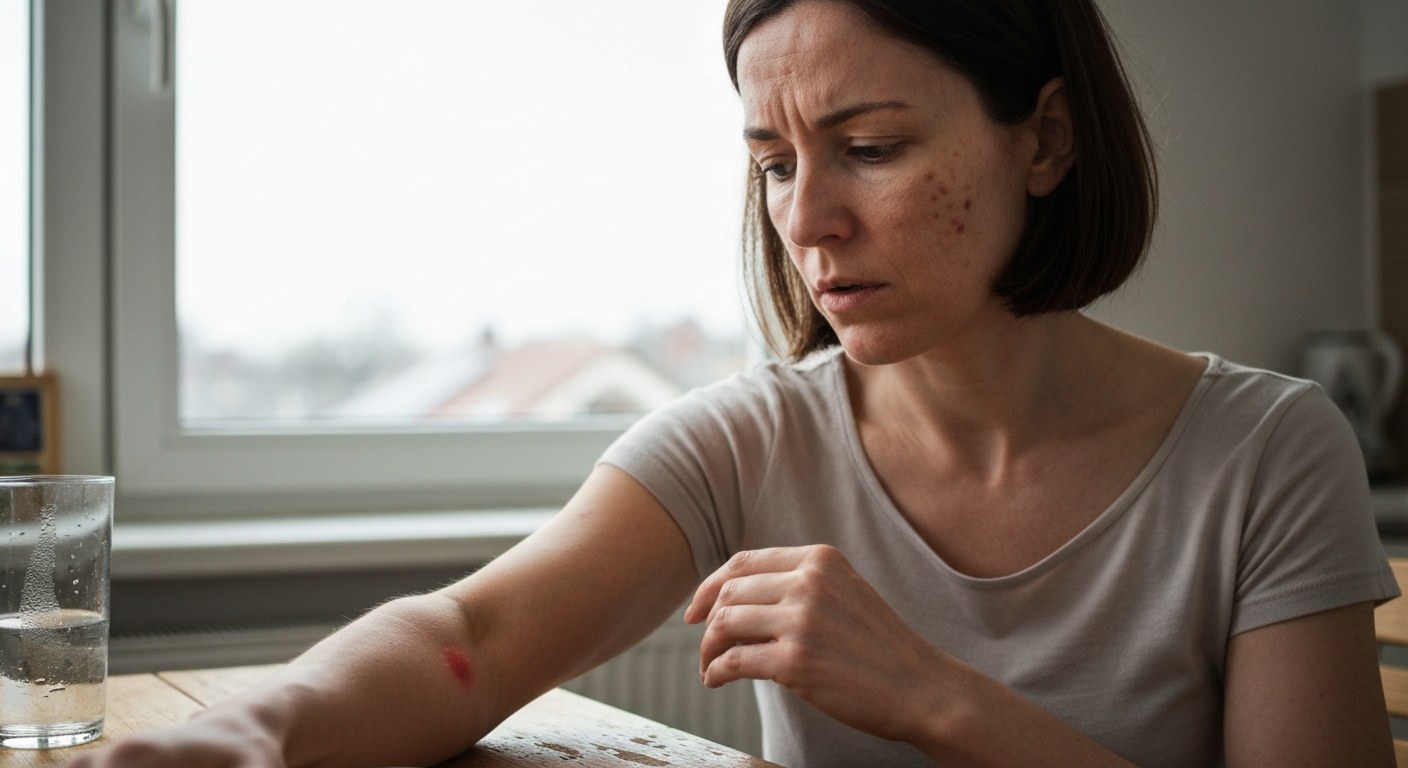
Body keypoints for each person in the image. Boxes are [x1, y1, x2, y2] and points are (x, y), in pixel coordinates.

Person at [70, 0, 1399, 766]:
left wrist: (937, 698)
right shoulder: (742, 442)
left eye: (870, 146)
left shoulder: (1267, 451)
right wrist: (252, 734)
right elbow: (465, 638)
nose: (805, 220)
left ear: (1044, 139)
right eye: (773, 162)